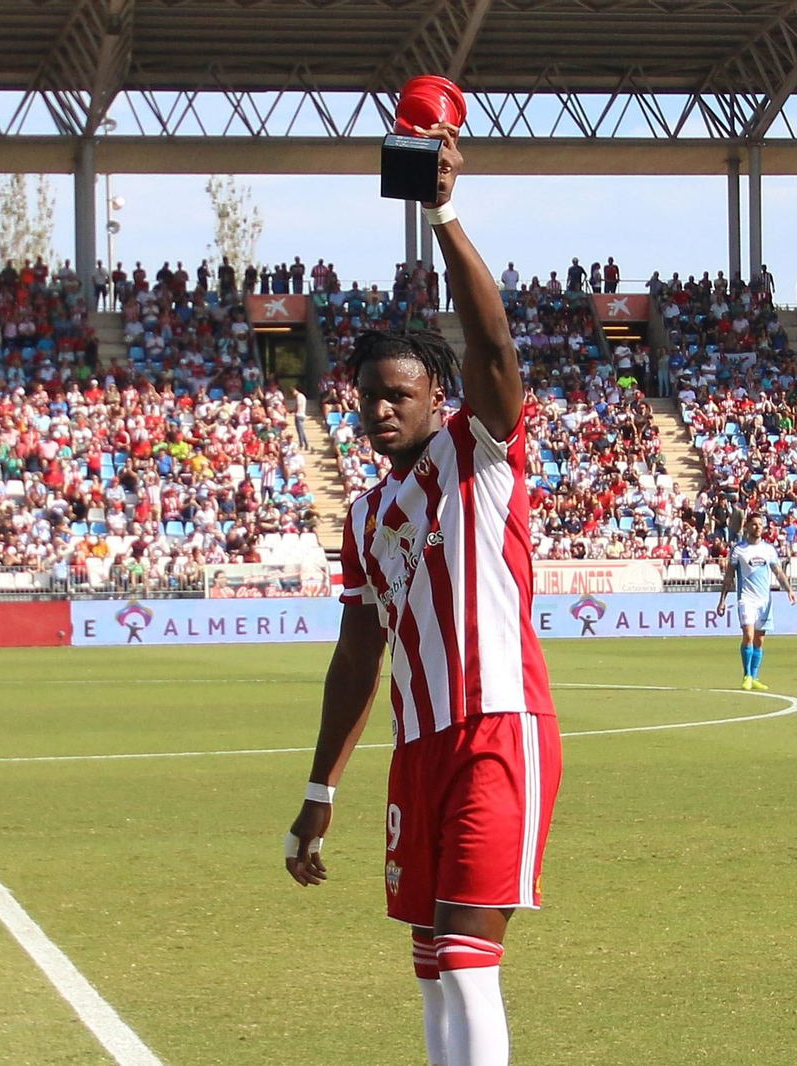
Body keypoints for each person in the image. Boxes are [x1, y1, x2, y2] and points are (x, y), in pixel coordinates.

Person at [284, 120, 561, 1066]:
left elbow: (493, 346)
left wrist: (444, 212)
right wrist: (321, 788)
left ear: (437, 397)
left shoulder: (474, 455)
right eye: (368, 395)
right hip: (419, 746)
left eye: (400, 391)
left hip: (497, 726)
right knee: (432, 965)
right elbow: (357, 657)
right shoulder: (364, 518)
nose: (382, 407)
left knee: (468, 956)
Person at [716, 513, 797, 691]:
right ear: (747, 527)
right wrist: (722, 600)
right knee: (749, 635)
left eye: (760, 524)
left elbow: (777, 572)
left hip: (764, 600)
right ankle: (746, 675)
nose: (758, 527)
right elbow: (729, 576)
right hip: (747, 598)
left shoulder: (768, 549)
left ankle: (754, 677)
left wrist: (789, 590)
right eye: (754, 524)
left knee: (759, 640)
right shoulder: (739, 550)